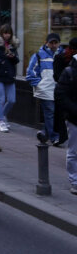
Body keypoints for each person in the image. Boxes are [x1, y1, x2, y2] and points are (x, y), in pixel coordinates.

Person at [27, 33, 62, 145]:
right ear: (46, 43)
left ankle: (44, 133)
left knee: (54, 114)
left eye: (56, 42)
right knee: (50, 112)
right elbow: (30, 73)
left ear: (59, 43)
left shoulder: (62, 55)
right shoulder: (39, 55)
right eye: (51, 43)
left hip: (59, 90)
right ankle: (54, 137)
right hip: (46, 90)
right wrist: (40, 85)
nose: (53, 45)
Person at [53, 40, 77, 195]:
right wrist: (74, 110)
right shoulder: (70, 72)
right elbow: (60, 94)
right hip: (75, 118)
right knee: (74, 151)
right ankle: (75, 181)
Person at [0, 24, 20, 132]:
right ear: (1, 33)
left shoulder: (13, 45)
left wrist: (13, 57)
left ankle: (2, 115)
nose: (7, 35)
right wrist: (1, 60)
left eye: (9, 33)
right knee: (1, 99)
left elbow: (17, 60)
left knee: (12, 100)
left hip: (10, 75)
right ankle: (2, 122)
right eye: (5, 33)